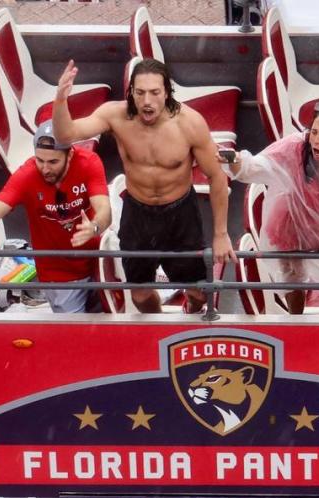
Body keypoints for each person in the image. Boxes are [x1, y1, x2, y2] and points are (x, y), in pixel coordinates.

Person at [52, 57, 233, 314]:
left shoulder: (190, 123)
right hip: (138, 213)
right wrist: (60, 100)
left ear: (167, 92)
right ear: (131, 94)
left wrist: (221, 234)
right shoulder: (115, 116)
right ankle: (158, 326)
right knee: (139, 296)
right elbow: (65, 134)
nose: (147, 101)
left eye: (155, 93)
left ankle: (191, 307)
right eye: (140, 93)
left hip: (180, 214)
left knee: (199, 291)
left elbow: (217, 176)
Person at [222, 101, 319, 314]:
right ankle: (296, 321)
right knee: (293, 282)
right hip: (288, 220)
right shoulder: (294, 146)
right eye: (313, 132)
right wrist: (236, 161)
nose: (315, 140)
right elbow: (257, 166)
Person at [0, 121, 111, 313]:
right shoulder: (27, 174)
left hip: (98, 262)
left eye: (53, 162)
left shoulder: (89, 163)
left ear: (70, 154)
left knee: (109, 324)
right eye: (40, 160)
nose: (45, 168)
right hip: (60, 276)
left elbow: (104, 210)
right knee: (73, 338)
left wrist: (95, 227)